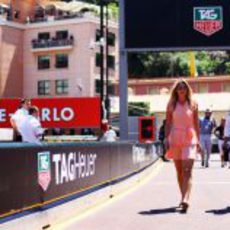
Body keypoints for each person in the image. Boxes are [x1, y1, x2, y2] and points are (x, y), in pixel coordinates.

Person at [165, 79, 201, 213]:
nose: (181, 90)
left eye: (183, 87)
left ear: (187, 90)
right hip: (175, 139)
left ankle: (186, 199)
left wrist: (198, 140)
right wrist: (166, 138)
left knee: (187, 170)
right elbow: (168, 123)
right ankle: (182, 196)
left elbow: (196, 123)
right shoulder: (171, 104)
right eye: (179, 88)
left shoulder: (193, 104)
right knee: (179, 171)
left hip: (190, 138)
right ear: (176, 90)